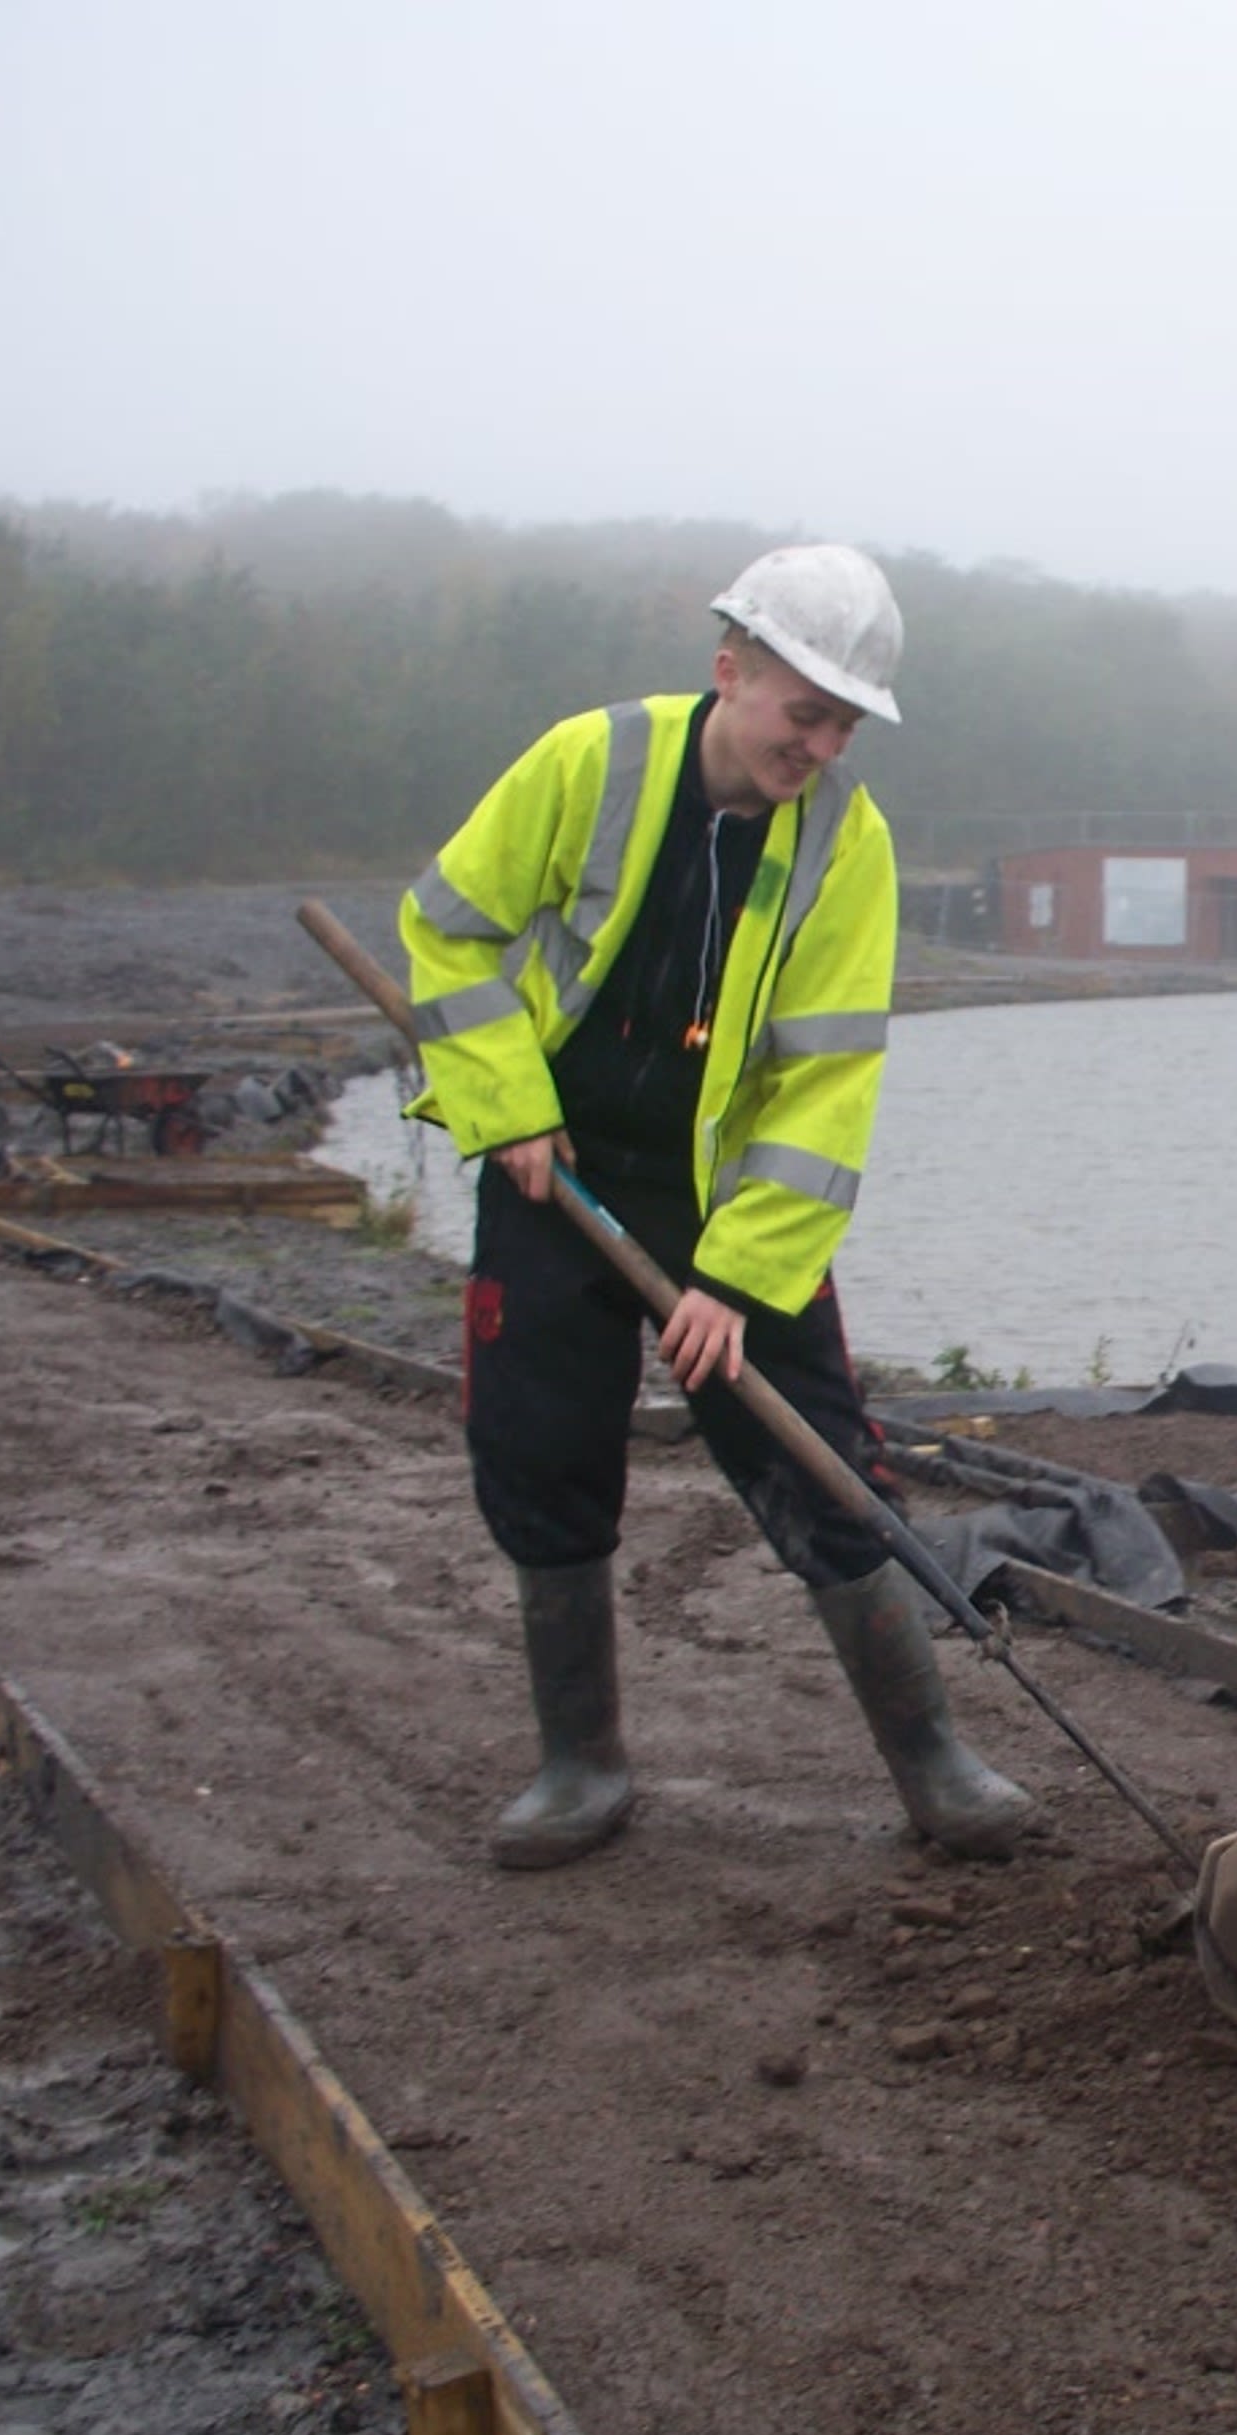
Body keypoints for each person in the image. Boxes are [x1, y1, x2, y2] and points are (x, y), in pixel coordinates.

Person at [399, 543, 1038, 1873]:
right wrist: (502, 1101)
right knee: (542, 1453)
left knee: (816, 1458)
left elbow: (823, 1082)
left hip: (727, 1197)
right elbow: (448, 930)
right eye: (804, 711)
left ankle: (932, 1760)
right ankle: (581, 1762)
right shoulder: (589, 761)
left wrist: (735, 1281)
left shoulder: (844, 843)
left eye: (844, 722)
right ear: (729, 668)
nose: (820, 743)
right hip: (554, 1169)